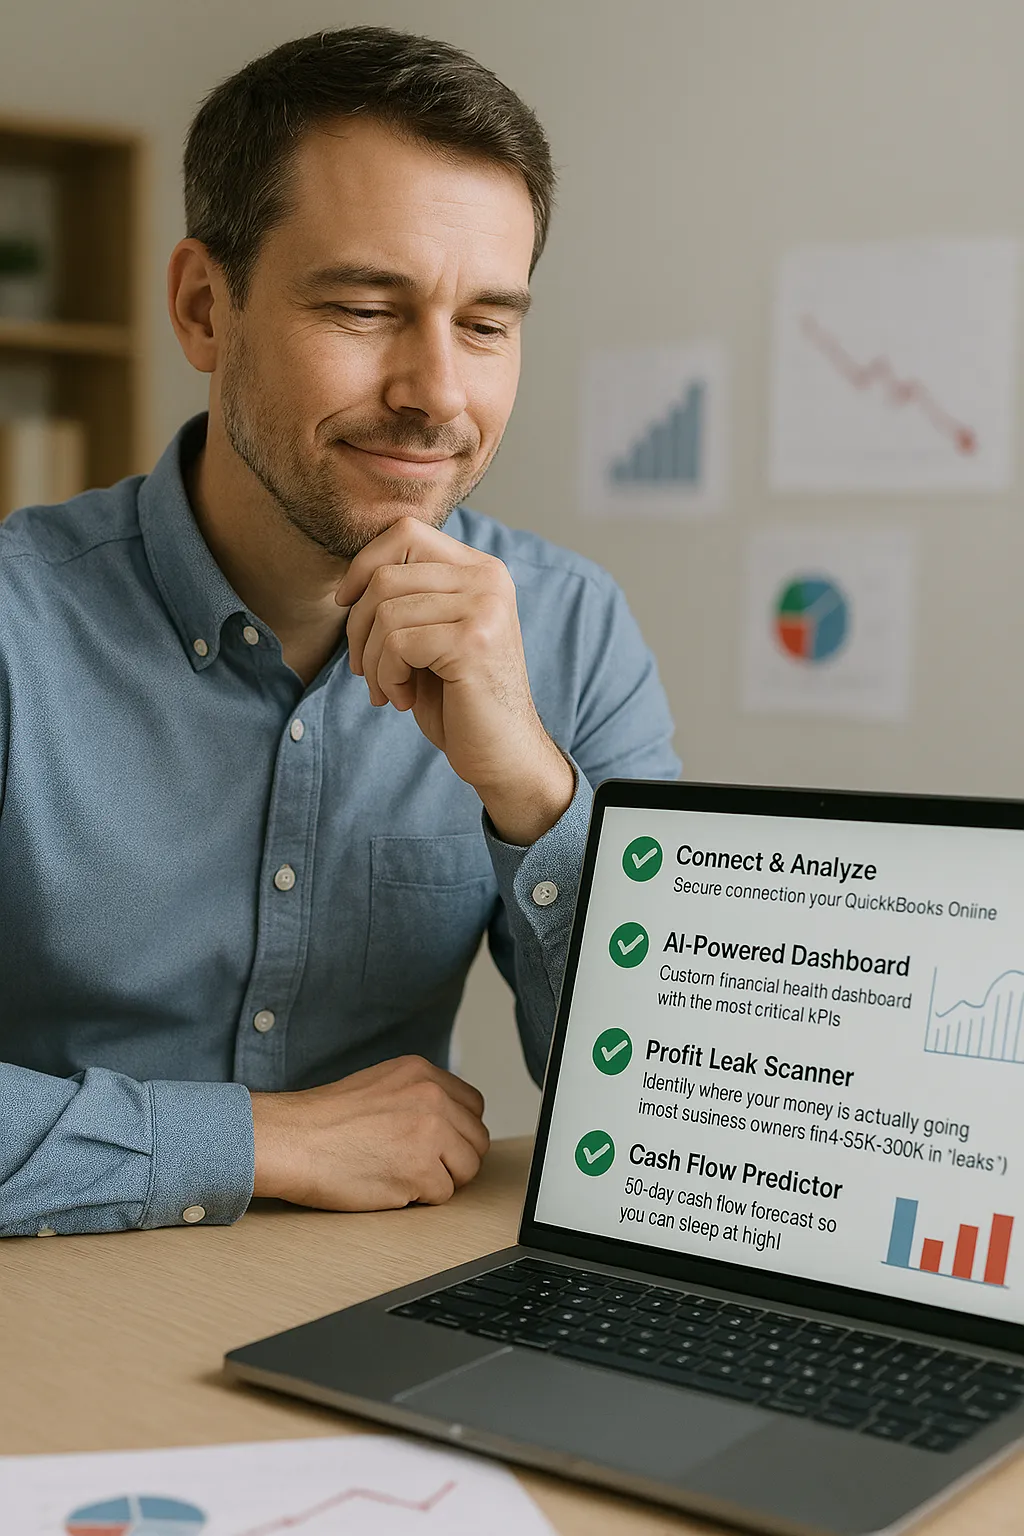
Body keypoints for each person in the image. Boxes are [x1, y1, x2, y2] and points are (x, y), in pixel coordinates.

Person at [0, 27, 678, 1239]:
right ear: (207, 309)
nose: (437, 394)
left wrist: (529, 785)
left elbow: (676, 1117)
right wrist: (260, 1140)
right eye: (367, 306)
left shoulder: (574, 629)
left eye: (485, 324)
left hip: (370, 1319)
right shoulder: (16, 624)